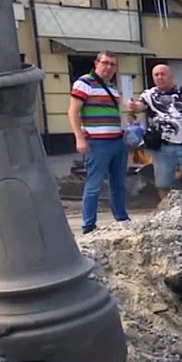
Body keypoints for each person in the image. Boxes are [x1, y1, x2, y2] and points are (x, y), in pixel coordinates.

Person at [69, 51, 130, 234]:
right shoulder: (84, 83)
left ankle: (121, 218)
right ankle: (88, 225)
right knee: (94, 184)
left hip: (117, 141)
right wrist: (79, 137)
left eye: (113, 64)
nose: (109, 67)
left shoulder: (111, 87)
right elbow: (73, 111)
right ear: (96, 63)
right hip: (97, 142)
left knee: (118, 183)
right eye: (105, 63)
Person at [129, 63, 182, 200]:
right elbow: (140, 106)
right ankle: (167, 210)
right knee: (163, 183)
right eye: (156, 75)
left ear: (171, 76)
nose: (159, 77)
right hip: (162, 146)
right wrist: (134, 106)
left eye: (163, 74)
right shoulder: (149, 94)